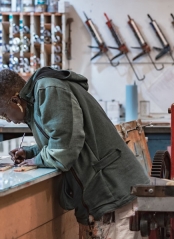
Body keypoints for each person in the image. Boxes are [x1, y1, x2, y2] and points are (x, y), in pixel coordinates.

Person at [3, 67, 150, 239]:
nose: (9, 120)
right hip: (108, 196)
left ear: (14, 99)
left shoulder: (48, 89)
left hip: (115, 191)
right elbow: (61, 137)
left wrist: (36, 160)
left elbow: (64, 150)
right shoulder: (37, 100)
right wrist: (30, 152)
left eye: (4, 114)